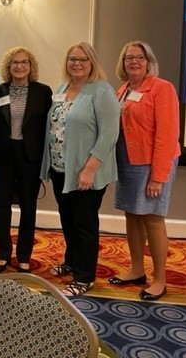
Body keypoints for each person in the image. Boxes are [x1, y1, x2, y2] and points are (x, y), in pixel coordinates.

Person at [40, 42, 119, 296]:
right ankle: (72, 261)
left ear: (92, 62)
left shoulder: (102, 90)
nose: (77, 64)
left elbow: (109, 134)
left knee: (84, 223)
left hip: (86, 172)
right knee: (68, 219)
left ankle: (85, 277)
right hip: (61, 170)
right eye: (72, 59)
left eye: (83, 60)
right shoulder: (62, 88)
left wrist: (89, 169)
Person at [108, 41, 180, 301]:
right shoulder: (123, 90)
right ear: (123, 63)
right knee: (132, 215)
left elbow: (168, 135)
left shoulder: (162, 88)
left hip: (153, 163)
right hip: (128, 162)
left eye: (140, 57)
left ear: (149, 62)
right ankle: (137, 269)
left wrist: (158, 176)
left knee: (152, 217)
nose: (134, 62)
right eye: (129, 58)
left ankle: (160, 280)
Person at [0, 47, 52, 273]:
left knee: (28, 205)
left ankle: (24, 255)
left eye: (24, 62)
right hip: (4, 154)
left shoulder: (42, 92)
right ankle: (3, 253)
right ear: (9, 66)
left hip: (30, 155)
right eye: (15, 62)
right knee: (2, 205)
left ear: (30, 66)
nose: (19, 66)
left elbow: (47, 126)